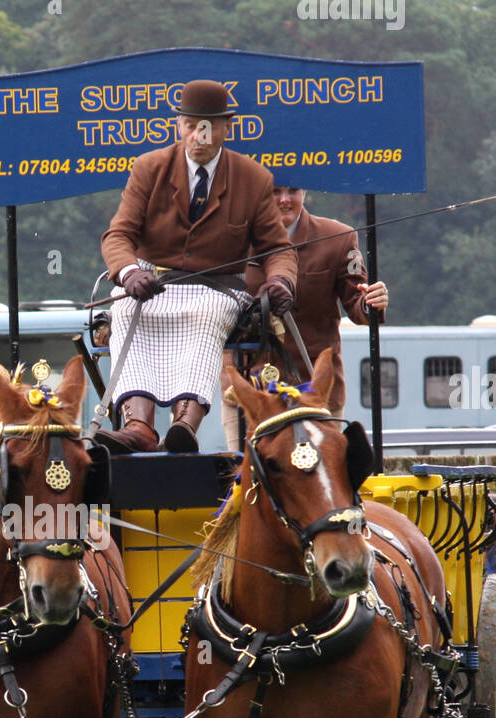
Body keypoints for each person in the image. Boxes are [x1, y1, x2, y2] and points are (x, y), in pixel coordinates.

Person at [98, 80, 297, 454]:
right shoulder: (148, 168)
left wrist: (280, 281)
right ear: (179, 126)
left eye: (208, 126)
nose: (199, 135)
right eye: (191, 125)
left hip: (217, 288)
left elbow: (278, 249)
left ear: (227, 128)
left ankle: (184, 424)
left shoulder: (254, 178)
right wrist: (129, 273)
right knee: (124, 307)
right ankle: (138, 424)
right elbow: (117, 235)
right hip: (151, 281)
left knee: (205, 314)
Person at [219, 184, 389, 450]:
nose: (285, 200)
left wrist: (372, 303)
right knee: (252, 481)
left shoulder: (339, 237)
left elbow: (357, 304)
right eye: (275, 191)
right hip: (249, 392)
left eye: (293, 191)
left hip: (316, 389)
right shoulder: (229, 240)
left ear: (305, 193)